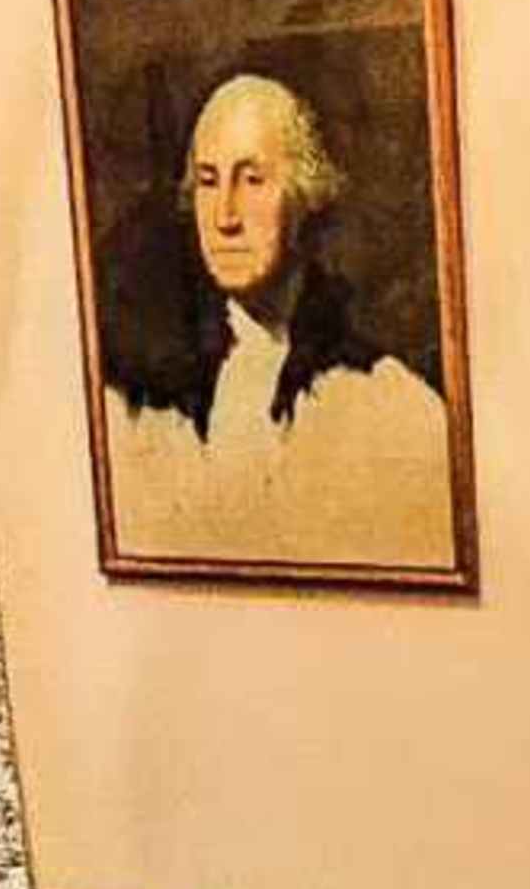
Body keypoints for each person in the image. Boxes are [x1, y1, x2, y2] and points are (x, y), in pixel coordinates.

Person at [100, 70, 454, 571]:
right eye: (207, 181)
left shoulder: (389, 405)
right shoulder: (142, 407)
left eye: (252, 180)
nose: (224, 215)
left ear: (306, 194)